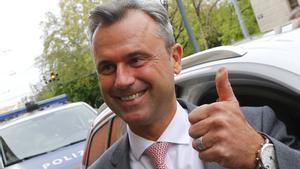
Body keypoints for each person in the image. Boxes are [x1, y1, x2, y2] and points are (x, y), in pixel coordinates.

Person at [87, 0, 300, 168]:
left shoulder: (257, 126)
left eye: (136, 59)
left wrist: (260, 155)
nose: (122, 80)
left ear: (175, 59)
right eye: (107, 67)